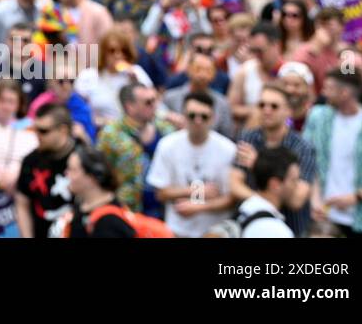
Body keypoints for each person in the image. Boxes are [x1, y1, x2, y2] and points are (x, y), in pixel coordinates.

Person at [306, 66, 362, 237]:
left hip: (360, 220)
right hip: (321, 216)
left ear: (344, 93)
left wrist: (355, 197)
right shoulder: (317, 117)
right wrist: (314, 197)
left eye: (329, 89)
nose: (324, 93)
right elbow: (308, 159)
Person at [145, 91, 237, 237]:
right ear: (184, 116)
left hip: (215, 231)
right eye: (192, 115)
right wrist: (198, 191)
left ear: (213, 118)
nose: (198, 121)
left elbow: (232, 198)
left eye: (204, 116)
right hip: (178, 230)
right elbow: (160, 193)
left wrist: (199, 207)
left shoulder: (228, 149)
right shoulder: (168, 145)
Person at [230, 85, 316, 236]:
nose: (266, 110)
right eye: (261, 105)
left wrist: (259, 164)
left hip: (291, 226)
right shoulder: (247, 138)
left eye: (274, 106)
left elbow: (297, 200)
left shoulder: (303, 147)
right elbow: (235, 185)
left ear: (288, 111)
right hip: (253, 224)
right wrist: (265, 203)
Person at [96, 83, 175, 215]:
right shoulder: (110, 134)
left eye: (155, 100)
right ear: (130, 107)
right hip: (129, 209)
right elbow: (99, 170)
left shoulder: (165, 128)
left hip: (166, 207)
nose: (154, 106)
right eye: (148, 102)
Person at [15, 103, 82, 238]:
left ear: (62, 130)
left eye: (43, 131)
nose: (37, 135)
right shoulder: (30, 161)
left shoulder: (83, 158)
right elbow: (22, 204)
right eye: (35, 129)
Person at [63, 148, 136, 237]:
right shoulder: (82, 203)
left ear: (91, 177)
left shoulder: (109, 223)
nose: (66, 174)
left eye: (72, 170)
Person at [163, 53, 235, 139]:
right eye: (198, 69)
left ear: (214, 74)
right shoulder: (170, 98)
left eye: (208, 70)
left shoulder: (222, 103)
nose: (202, 75)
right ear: (188, 69)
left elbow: (227, 136)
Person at [236, 147, 298, 237]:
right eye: (293, 180)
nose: (297, 185)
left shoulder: (244, 209)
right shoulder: (277, 232)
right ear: (275, 185)